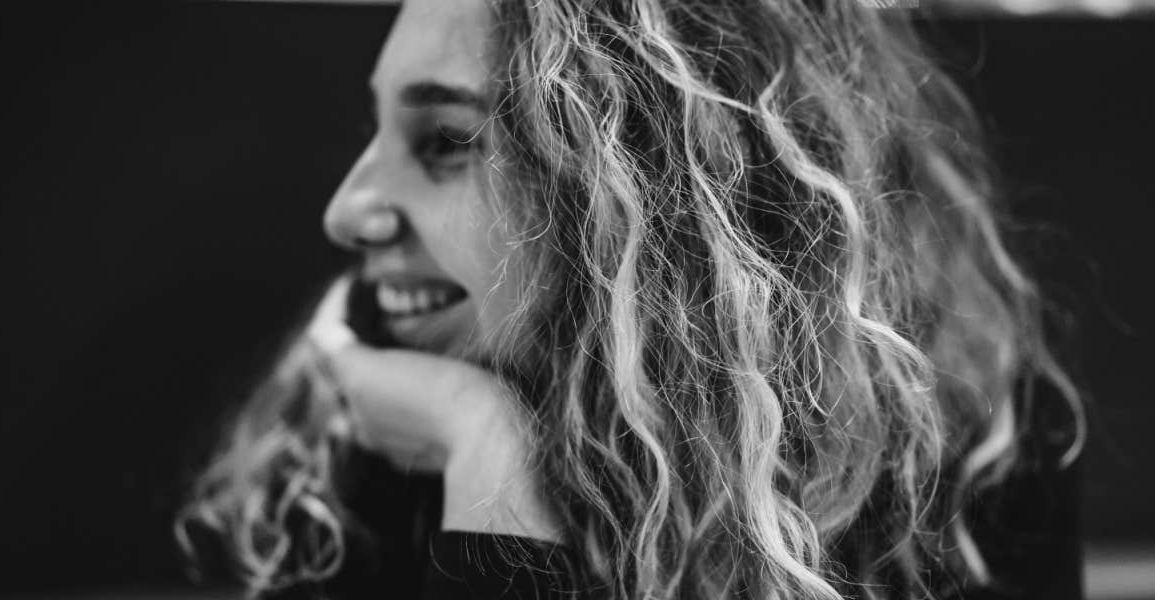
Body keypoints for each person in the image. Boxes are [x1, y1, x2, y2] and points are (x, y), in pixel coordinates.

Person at [177, 0, 1085, 598]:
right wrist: (488, 466)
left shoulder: (965, 458)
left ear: (653, 184)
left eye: (447, 140)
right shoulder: (335, 466)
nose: (347, 211)